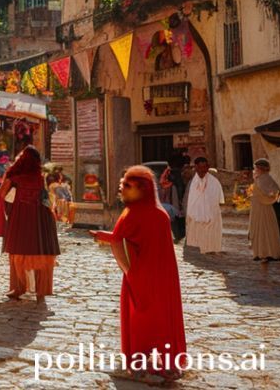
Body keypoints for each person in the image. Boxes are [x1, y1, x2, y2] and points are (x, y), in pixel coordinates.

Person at [89, 166, 187, 379]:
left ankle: (140, 357)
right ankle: (164, 357)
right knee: (161, 315)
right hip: (163, 276)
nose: (122, 189)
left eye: (127, 186)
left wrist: (100, 236)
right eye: (123, 184)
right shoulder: (161, 215)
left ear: (141, 189)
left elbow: (117, 239)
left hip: (139, 274)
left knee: (140, 316)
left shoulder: (131, 214)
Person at [0, 127, 60, 305]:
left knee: (19, 252)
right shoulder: (42, 178)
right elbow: (49, 198)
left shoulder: (16, 178)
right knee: (41, 251)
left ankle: (19, 288)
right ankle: (41, 291)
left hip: (21, 218)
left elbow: (3, 195)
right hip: (42, 219)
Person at [185, 156, 224, 254]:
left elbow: (217, 201)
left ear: (208, 167)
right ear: (196, 168)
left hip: (211, 217)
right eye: (200, 167)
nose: (202, 170)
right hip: (195, 216)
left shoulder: (214, 182)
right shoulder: (191, 183)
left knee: (211, 240)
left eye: (204, 167)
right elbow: (188, 200)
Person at [248, 158, 280, 262]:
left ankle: (266, 253)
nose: (254, 170)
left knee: (265, 228)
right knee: (259, 228)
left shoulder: (265, 178)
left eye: (255, 168)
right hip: (258, 207)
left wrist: (265, 197)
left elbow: (275, 192)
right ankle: (260, 253)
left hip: (264, 208)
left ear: (260, 168)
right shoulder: (260, 178)